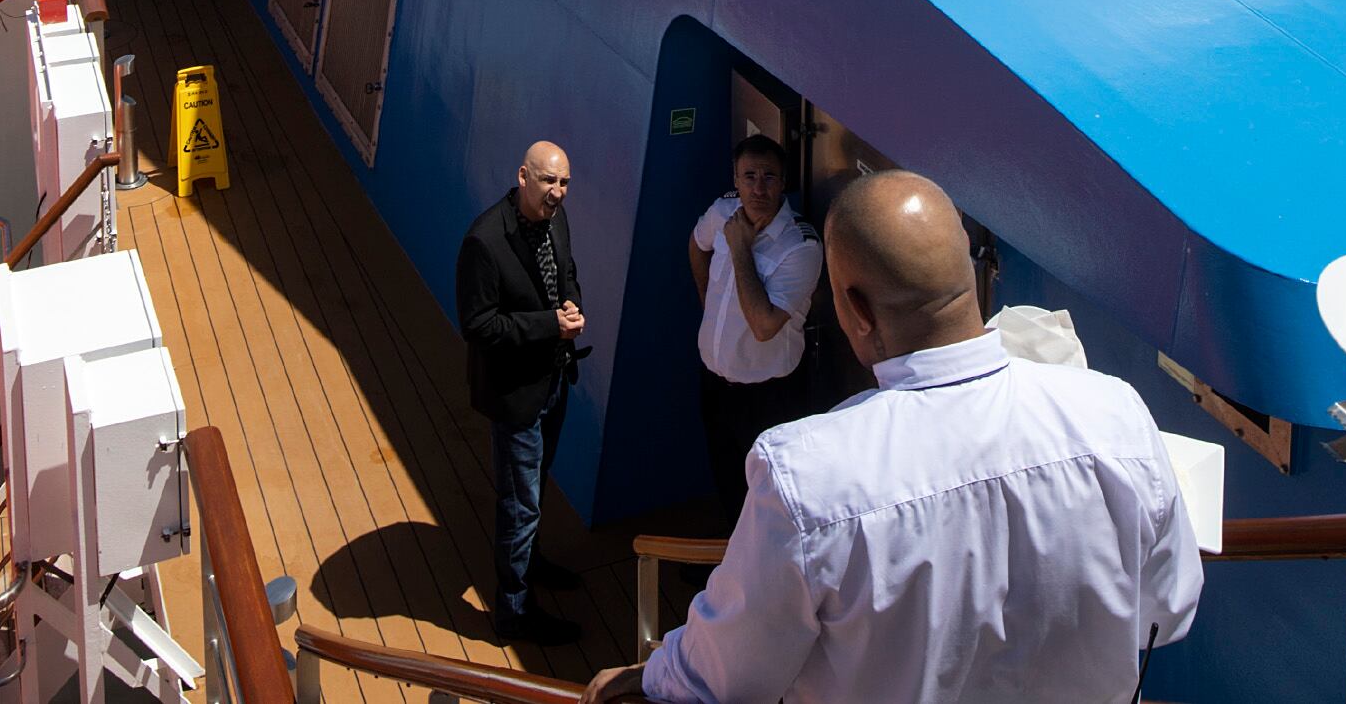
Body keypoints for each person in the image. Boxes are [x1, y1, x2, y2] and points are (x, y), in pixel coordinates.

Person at [601, 168, 1200, 703]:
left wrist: (648, 675)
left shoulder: (805, 477)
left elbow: (725, 677)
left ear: (857, 312)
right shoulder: (1115, 414)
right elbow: (1169, 611)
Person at [457, 141, 588, 647]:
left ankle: (531, 565)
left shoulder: (556, 218)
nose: (557, 192)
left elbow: (566, 272)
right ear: (522, 177)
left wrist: (572, 303)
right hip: (516, 394)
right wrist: (549, 325)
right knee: (520, 503)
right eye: (549, 181)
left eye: (564, 182)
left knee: (535, 487)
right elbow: (478, 325)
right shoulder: (485, 241)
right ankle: (512, 612)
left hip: (553, 381)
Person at [690, 136, 824, 517]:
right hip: (715, 382)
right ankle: (728, 561)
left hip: (768, 397)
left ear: (783, 183)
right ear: (736, 178)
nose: (758, 188)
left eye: (769, 177)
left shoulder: (800, 246)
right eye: (749, 176)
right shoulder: (723, 213)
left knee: (769, 501)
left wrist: (739, 248)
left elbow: (765, 326)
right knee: (726, 480)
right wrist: (708, 305)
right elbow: (695, 245)